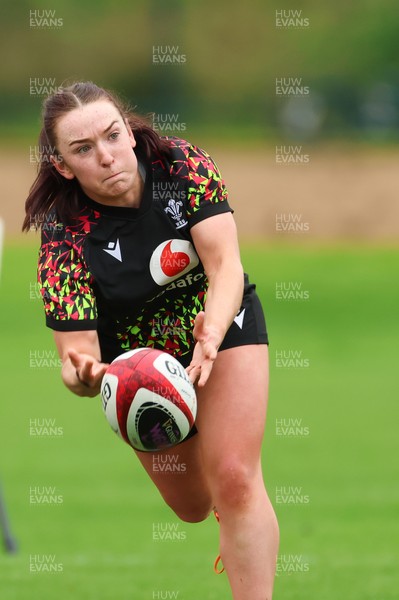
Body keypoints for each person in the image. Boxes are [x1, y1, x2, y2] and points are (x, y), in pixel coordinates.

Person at [23, 82, 279, 599]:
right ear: (64, 166)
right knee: (191, 506)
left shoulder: (182, 166)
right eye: (83, 149)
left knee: (234, 478)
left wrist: (211, 327)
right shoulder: (63, 238)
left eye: (112, 136)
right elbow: (77, 360)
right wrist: (89, 376)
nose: (106, 155)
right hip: (139, 370)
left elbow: (226, 265)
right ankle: (229, 517)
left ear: (131, 133)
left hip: (219, 323)